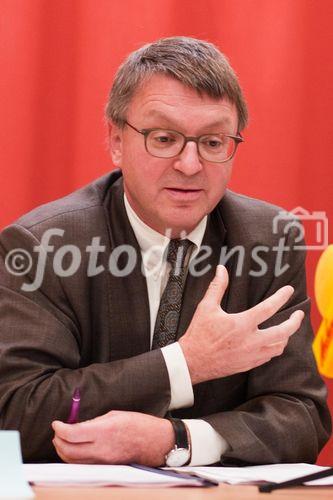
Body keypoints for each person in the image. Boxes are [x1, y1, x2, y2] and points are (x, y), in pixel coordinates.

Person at [0, 36, 330, 466]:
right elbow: (16, 411)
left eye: (213, 143)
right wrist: (185, 365)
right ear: (117, 142)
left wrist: (176, 440)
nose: (190, 165)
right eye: (164, 138)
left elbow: (302, 414)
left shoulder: (269, 239)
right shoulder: (44, 245)